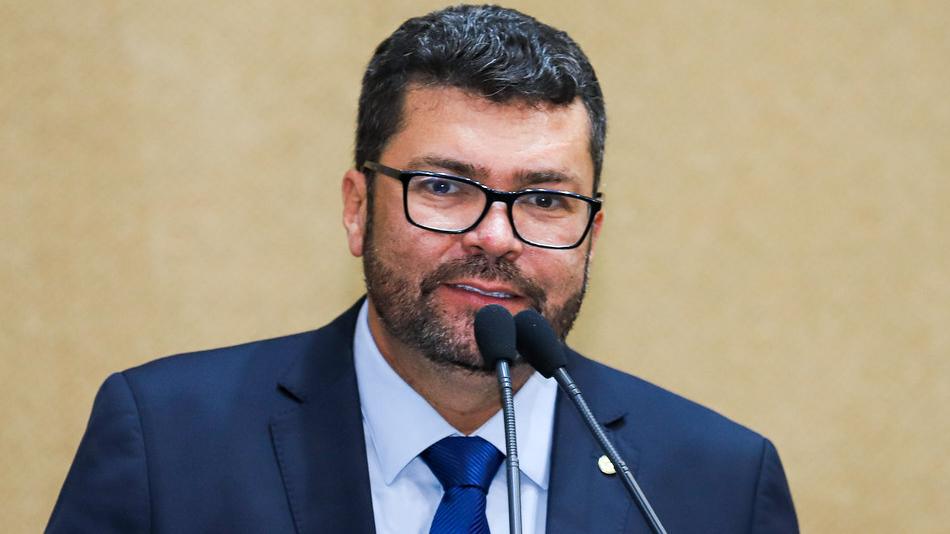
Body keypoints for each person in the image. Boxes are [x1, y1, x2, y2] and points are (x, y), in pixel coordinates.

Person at [47, 5, 798, 533]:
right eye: (443, 187)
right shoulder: (167, 442)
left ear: (592, 235)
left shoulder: (718, 485)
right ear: (357, 208)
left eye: (544, 199)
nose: (495, 237)